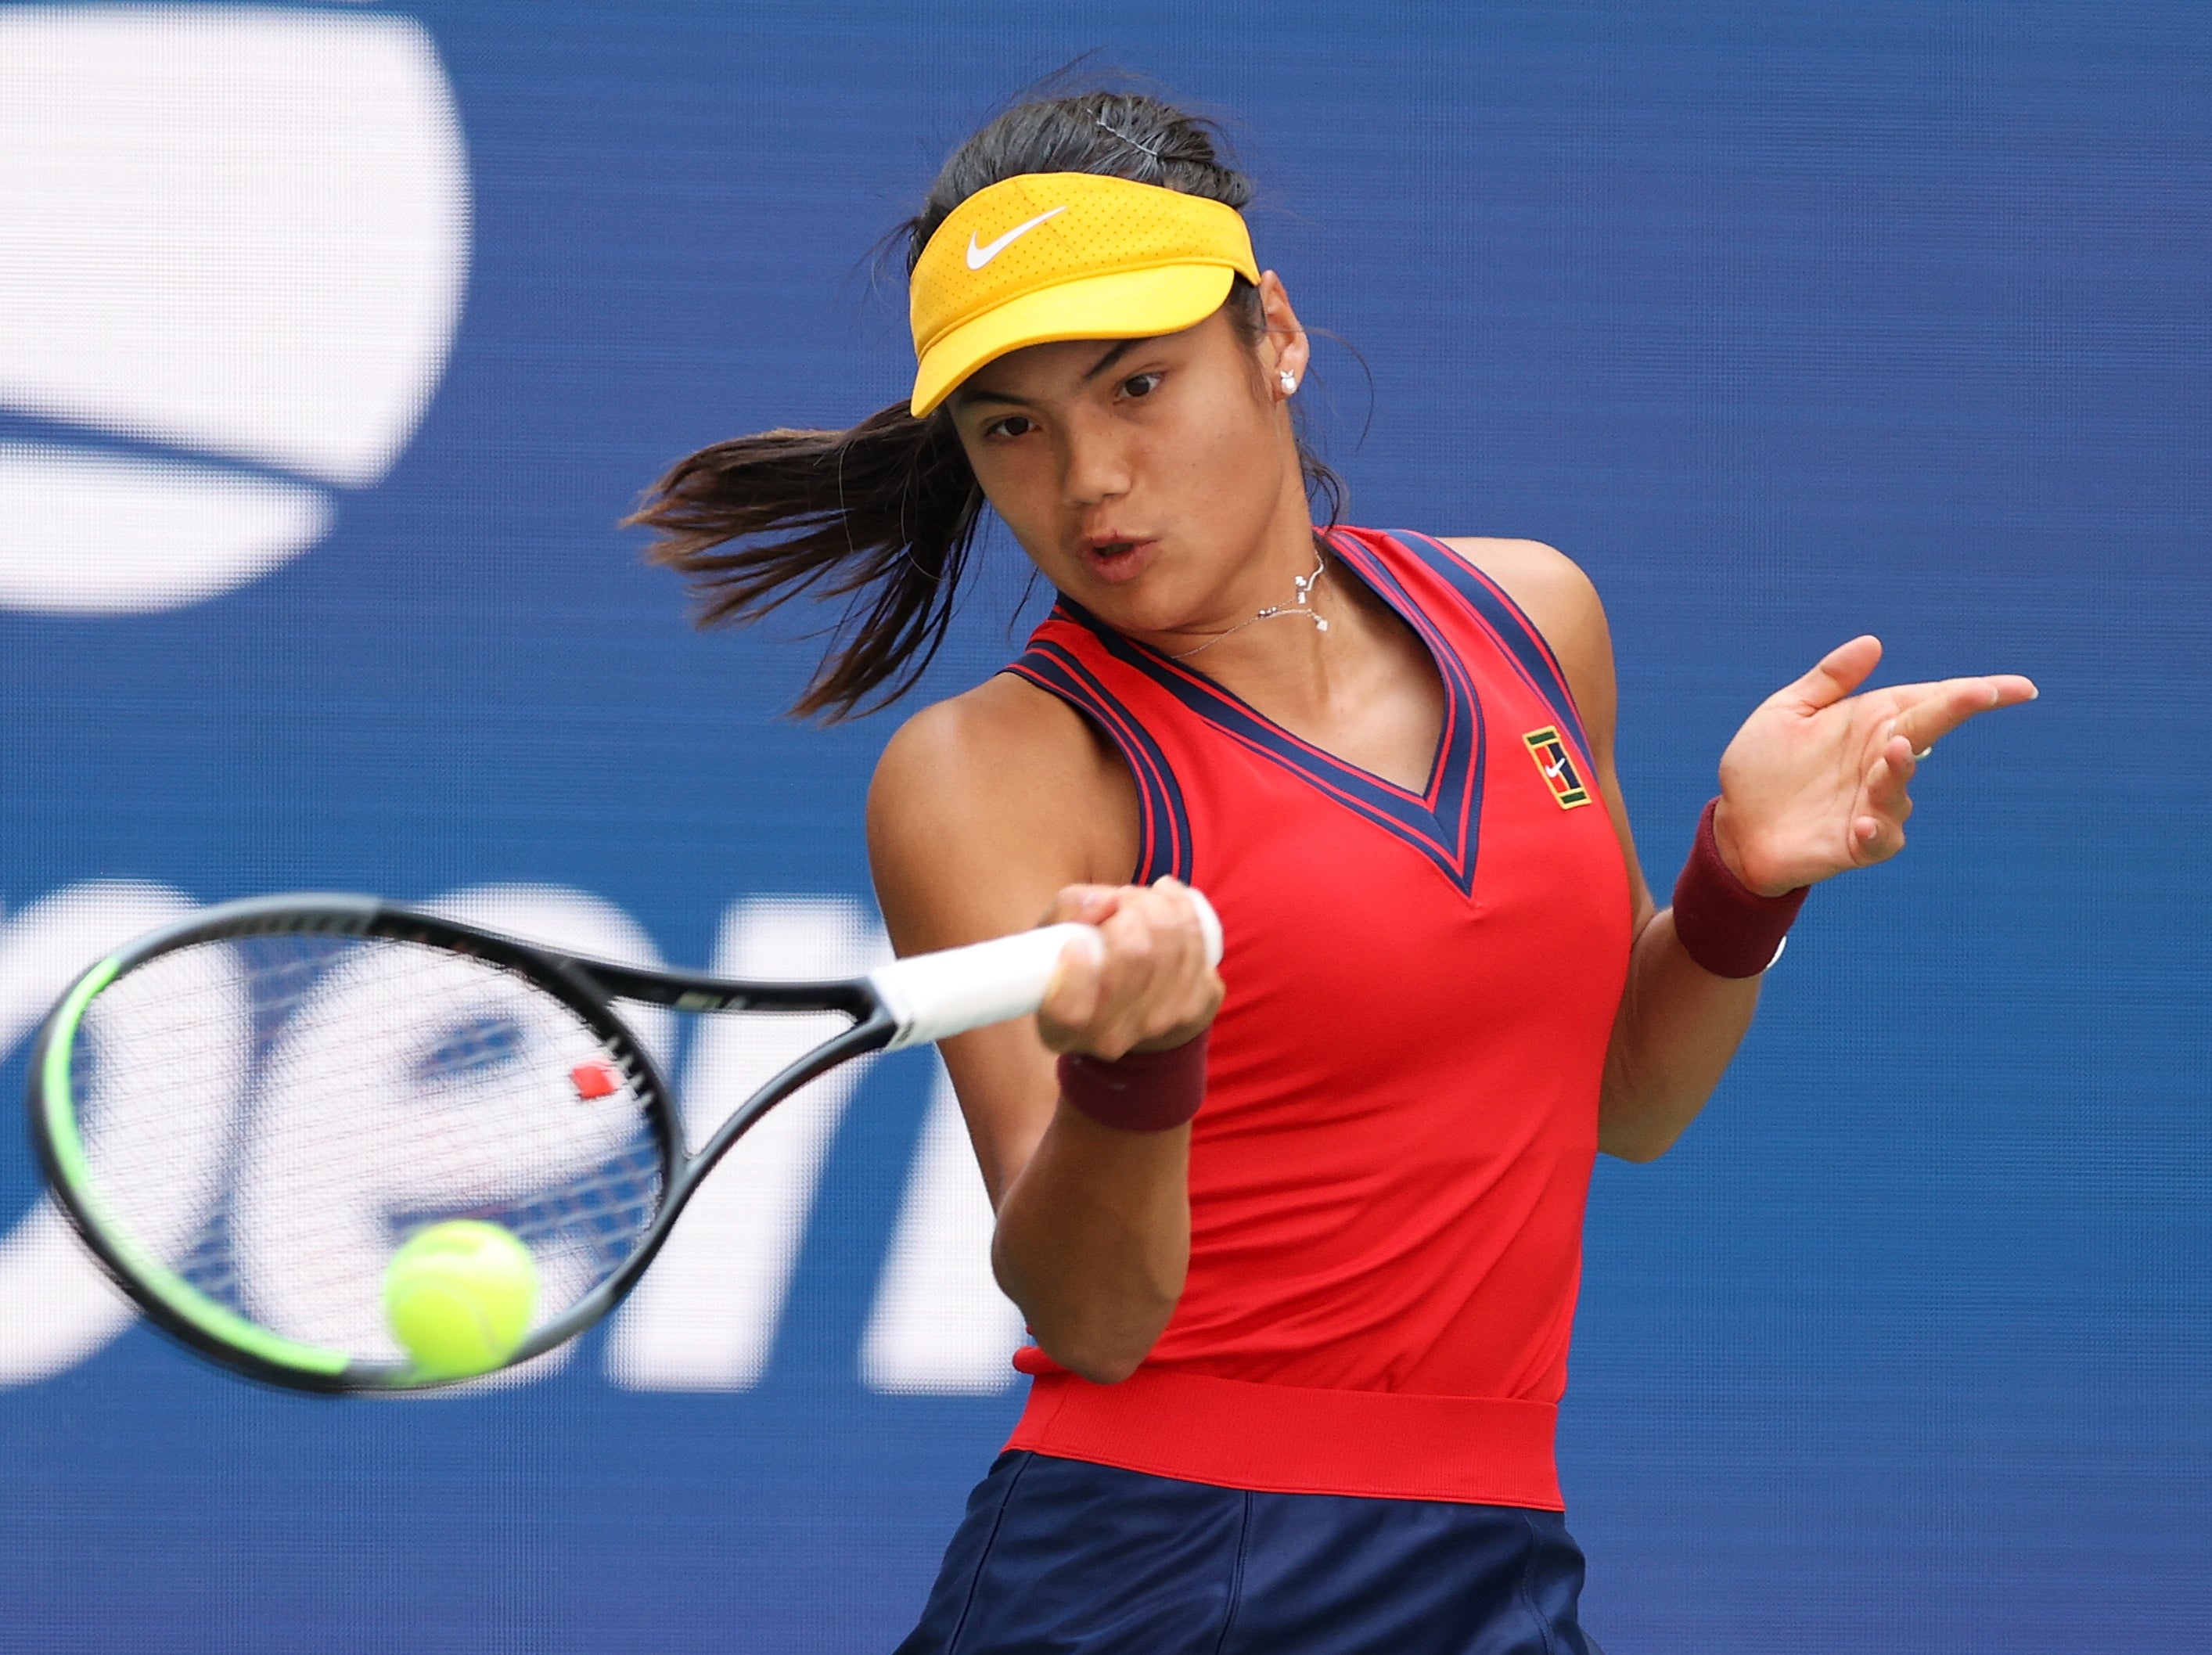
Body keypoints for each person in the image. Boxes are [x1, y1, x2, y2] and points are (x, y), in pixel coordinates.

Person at [630, 89, 2035, 1655]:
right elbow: (1088, 1312)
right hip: (1143, 1578)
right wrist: (1137, 1068)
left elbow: (1620, 1101)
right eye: (1009, 425)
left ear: (1274, 337)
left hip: (1493, 1567)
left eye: (1137, 383)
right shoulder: (992, 771)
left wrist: (1739, 885)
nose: (1087, 474)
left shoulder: (1531, 617)